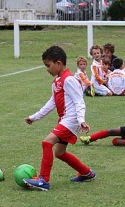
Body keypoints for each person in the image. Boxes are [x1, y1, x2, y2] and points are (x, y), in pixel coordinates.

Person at [23, 46, 95, 191]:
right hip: (64, 119)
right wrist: (34, 117)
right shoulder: (57, 81)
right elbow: (51, 103)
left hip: (71, 119)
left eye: (48, 65)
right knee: (59, 153)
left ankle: (43, 180)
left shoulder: (69, 80)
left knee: (47, 142)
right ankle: (86, 173)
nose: (47, 69)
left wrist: (81, 120)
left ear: (59, 63)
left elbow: (79, 101)